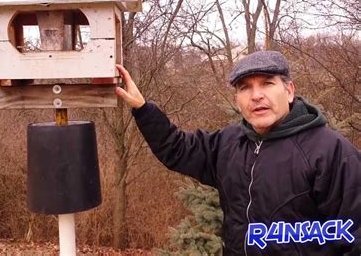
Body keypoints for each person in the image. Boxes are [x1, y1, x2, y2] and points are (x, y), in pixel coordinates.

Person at [115, 50, 361, 256]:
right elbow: (176, 148)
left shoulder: (330, 151)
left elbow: (355, 235)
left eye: (267, 83)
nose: (256, 95)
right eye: (245, 88)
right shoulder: (229, 143)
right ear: (237, 98)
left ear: (289, 90)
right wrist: (143, 109)